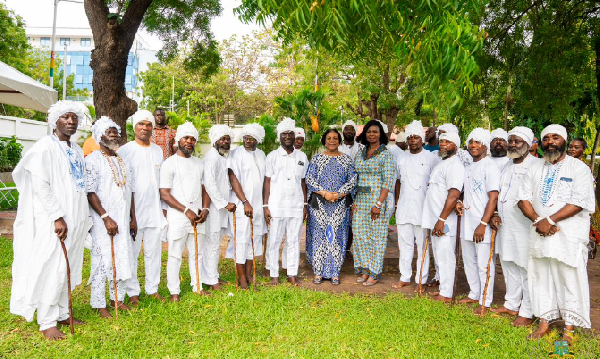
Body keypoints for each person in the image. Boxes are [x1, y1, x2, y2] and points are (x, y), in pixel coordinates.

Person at [11, 100, 91, 340]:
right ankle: (47, 321)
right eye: (66, 117)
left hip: (76, 216)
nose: (71, 121)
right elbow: (41, 186)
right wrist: (57, 216)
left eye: (74, 118)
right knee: (53, 266)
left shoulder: (76, 149)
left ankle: (64, 312)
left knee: (69, 265)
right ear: (54, 121)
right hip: (56, 219)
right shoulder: (44, 148)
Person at [518, 125, 594, 341]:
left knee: (569, 279)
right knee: (541, 277)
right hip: (539, 233)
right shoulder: (534, 168)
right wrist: (537, 220)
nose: (550, 141)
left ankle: (569, 330)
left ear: (565, 141)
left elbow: (580, 202)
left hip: (567, 235)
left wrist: (549, 220)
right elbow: (522, 198)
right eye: (546, 138)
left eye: (555, 137)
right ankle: (544, 323)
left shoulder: (579, 169)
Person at [85, 117, 136, 317]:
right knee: (101, 260)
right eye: (109, 132)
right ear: (99, 136)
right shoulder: (93, 160)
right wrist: (106, 217)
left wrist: (133, 218)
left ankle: (118, 298)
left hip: (122, 217)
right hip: (102, 219)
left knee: (122, 256)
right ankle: (99, 304)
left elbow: (130, 191)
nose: (114, 135)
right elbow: (90, 192)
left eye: (115, 132)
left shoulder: (123, 161)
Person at [490, 126, 541, 326]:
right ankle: (511, 304)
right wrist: (494, 213)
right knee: (509, 263)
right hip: (505, 224)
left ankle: (527, 311)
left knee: (526, 267)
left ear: (528, 145)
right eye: (510, 140)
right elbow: (501, 193)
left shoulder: (536, 165)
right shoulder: (507, 165)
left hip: (524, 226)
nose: (512, 144)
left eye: (517, 141)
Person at [118, 109, 166, 303]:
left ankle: (152, 288)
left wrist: (163, 209)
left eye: (148, 125)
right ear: (134, 127)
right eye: (141, 124)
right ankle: (133, 292)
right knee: (133, 252)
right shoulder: (125, 151)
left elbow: (161, 181)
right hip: (133, 212)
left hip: (155, 210)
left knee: (154, 252)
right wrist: (130, 216)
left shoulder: (158, 151)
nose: (145, 128)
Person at [159, 122, 210, 300]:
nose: (189, 141)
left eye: (192, 139)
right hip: (178, 216)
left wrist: (205, 209)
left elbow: (206, 189)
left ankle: (197, 286)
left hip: (197, 216)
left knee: (197, 253)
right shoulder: (169, 164)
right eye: (186, 138)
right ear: (177, 140)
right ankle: (174, 291)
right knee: (175, 255)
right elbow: (164, 194)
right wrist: (186, 210)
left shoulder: (199, 163)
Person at [305, 129, 357, 285]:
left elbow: (353, 179)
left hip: (340, 206)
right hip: (319, 205)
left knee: (337, 237)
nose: (332, 141)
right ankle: (318, 272)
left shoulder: (347, 160)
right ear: (324, 141)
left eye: (335, 138)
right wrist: (324, 193)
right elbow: (309, 178)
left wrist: (339, 194)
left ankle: (335, 272)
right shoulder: (317, 159)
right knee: (320, 237)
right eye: (329, 138)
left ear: (339, 140)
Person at [457, 128, 500, 314]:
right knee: (469, 261)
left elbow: (493, 198)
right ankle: (474, 293)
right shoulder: (468, 166)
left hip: (481, 224)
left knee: (484, 264)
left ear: (485, 145)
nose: (473, 145)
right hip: (466, 220)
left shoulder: (490, 166)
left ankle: (485, 300)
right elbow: (466, 192)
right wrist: (459, 202)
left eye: (478, 142)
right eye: (471, 142)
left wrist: (483, 224)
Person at [392, 120, 439, 289]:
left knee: (423, 245)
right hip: (404, 207)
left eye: (416, 137)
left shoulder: (432, 158)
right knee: (404, 244)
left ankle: (421, 279)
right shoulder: (401, 157)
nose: (413, 140)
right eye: (410, 137)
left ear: (422, 139)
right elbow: (397, 182)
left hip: (423, 209)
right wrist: (397, 203)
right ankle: (405, 276)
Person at [263, 117, 309, 285]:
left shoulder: (302, 156)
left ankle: (291, 274)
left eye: (290, 133)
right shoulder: (272, 156)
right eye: (284, 134)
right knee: (274, 240)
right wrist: (265, 206)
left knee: (293, 241)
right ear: (279, 137)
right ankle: (274, 274)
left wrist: (305, 205)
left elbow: (303, 182)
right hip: (276, 205)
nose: (288, 137)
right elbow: (267, 182)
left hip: (296, 205)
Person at [421, 131, 465, 302]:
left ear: (456, 145)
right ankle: (443, 288)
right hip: (435, 219)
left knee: (446, 256)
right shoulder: (442, 163)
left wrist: (441, 220)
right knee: (439, 255)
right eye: (442, 141)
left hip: (444, 221)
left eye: (448, 142)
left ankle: (446, 294)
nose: (443, 144)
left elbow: (454, 195)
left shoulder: (456, 165)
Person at [352, 120, 395, 286]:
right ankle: (365, 269)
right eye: (369, 131)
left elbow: (387, 182)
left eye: (375, 132)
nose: (371, 134)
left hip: (376, 201)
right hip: (359, 201)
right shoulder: (361, 152)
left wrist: (378, 204)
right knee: (360, 236)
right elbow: (355, 176)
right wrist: (353, 201)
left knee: (376, 237)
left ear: (381, 134)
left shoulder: (386, 154)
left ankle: (375, 272)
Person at [226, 123, 268, 289]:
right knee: (241, 240)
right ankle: (241, 278)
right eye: (245, 138)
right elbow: (232, 177)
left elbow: (264, 181)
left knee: (255, 239)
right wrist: (245, 202)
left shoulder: (261, 154)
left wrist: (264, 206)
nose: (248, 141)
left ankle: (249, 275)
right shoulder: (236, 154)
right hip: (242, 204)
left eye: (251, 138)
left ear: (257, 140)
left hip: (257, 205)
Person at [203, 124, 236, 290]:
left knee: (215, 243)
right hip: (215, 209)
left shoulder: (222, 157)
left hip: (221, 210)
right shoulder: (211, 157)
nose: (225, 142)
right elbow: (209, 184)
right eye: (222, 139)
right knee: (212, 244)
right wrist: (223, 203)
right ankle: (210, 280)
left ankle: (212, 275)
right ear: (215, 140)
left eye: (228, 139)